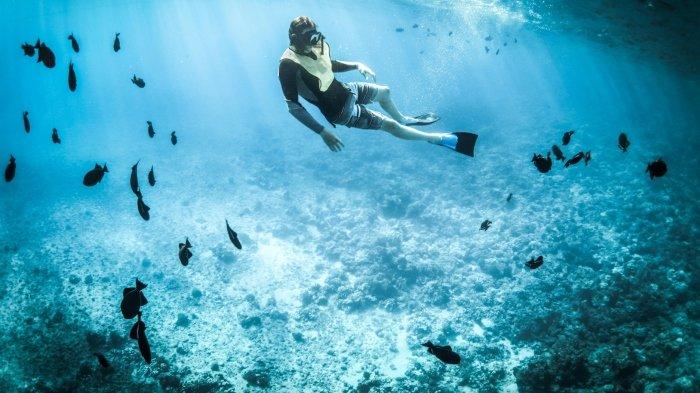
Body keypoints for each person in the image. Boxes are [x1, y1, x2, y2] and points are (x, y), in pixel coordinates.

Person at [278, 16, 477, 156]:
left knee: (385, 92)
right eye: (307, 37)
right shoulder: (287, 65)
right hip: (340, 111)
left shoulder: (313, 46)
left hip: (347, 90)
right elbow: (293, 107)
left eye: (314, 35)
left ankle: (404, 119)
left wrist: (357, 64)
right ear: (295, 38)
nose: (313, 41)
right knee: (390, 126)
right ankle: (435, 139)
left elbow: (327, 65)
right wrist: (322, 132)